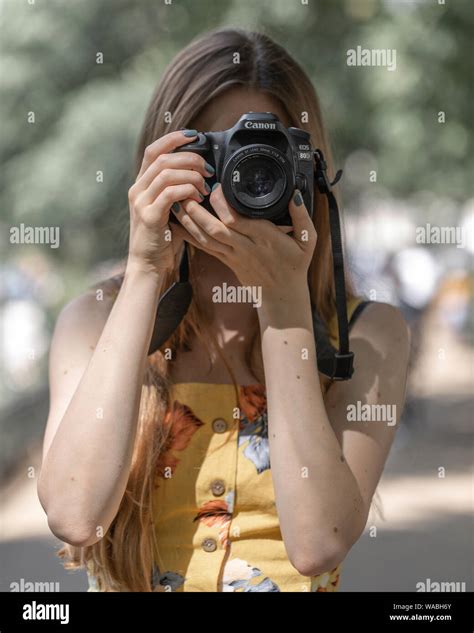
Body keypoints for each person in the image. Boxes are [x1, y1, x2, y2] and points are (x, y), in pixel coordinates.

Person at [37, 28, 410, 592]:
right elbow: (74, 514)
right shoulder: (95, 320)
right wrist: (145, 271)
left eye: (266, 157)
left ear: (308, 171)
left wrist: (283, 307)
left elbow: (317, 543)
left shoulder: (364, 338)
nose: (244, 178)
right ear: (162, 162)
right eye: (219, 154)